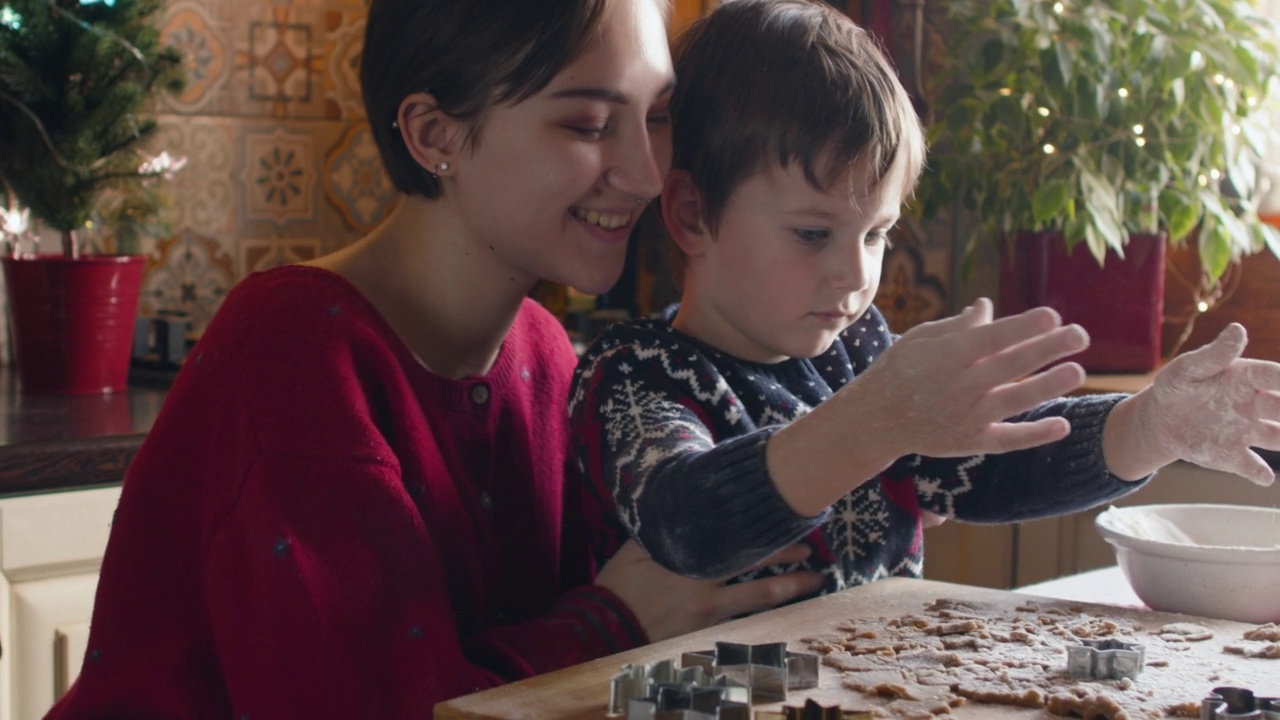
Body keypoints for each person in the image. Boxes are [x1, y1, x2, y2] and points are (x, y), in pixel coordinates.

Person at [42, 0, 828, 717]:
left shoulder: (547, 355)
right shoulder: (290, 354)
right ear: (433, 134)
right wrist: (612, 618)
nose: (648, 174)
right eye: (590, 125)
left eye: (656, 117)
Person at [569, 0, 1280, 599]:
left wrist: (1151, 425)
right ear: (691, 214)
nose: (855, 275)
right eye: (813, 233)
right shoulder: (635, 372)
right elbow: (688, 523)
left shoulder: (855, 349)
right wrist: (879, 420)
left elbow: (993, 466)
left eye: (876, 233)